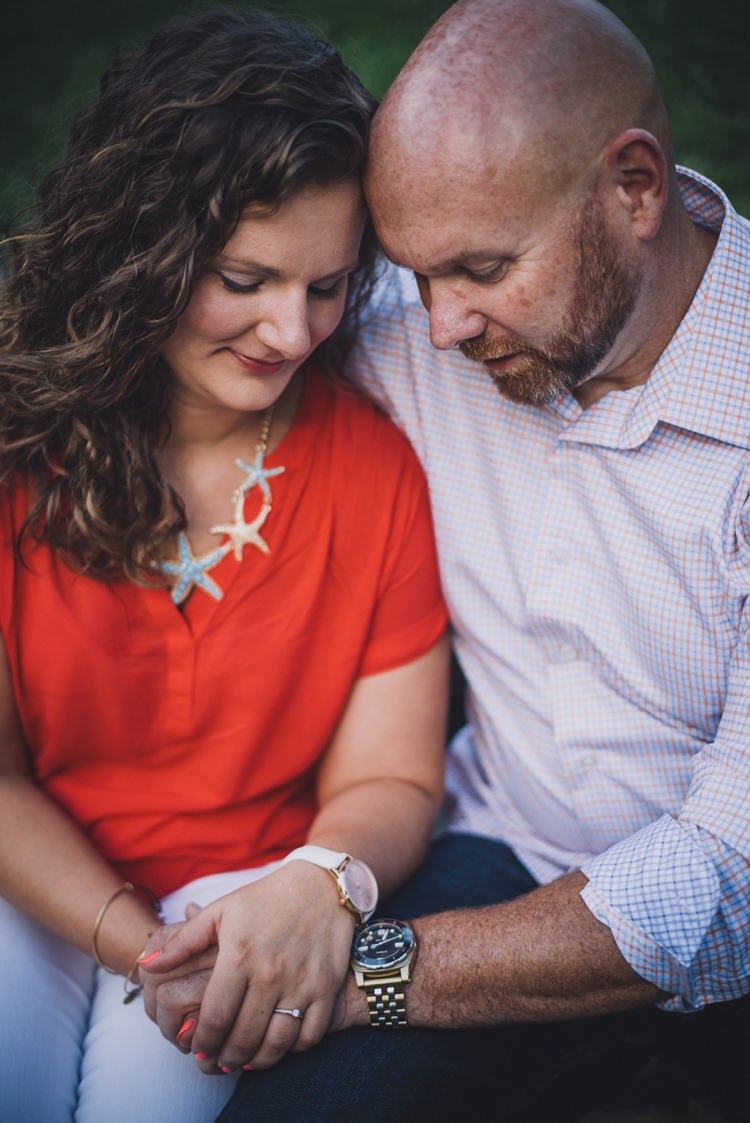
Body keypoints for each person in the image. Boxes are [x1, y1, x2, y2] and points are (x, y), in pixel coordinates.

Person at [211, 1, 750, 1120]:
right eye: (418, 270)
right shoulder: (428, 330)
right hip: (501, 844)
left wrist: (371, 976)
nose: (442, 323)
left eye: (483, 267)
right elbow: (215, 346)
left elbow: (727, 882)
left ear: (636, 188)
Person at [0, 10, 451, 1123]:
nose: (291, 333)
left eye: (328, 286)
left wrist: (317, 885)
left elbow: (391, 778)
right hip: (34, 876)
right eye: (246, 278)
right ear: (145, 244)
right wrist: (139, 941)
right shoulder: (18, 445)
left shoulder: (376, 467)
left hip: (251, 888)